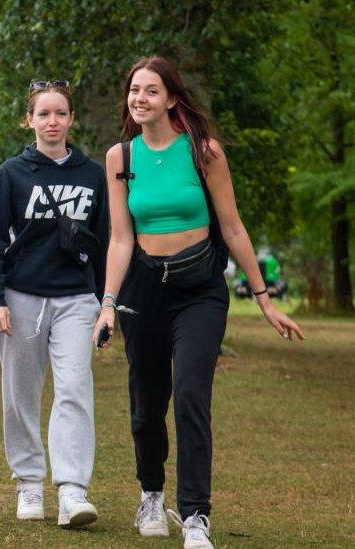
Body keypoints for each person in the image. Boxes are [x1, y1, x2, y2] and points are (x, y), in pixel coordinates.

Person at [92, 56, 304, 549]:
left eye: (150, 90)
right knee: (146, 408)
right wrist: (107, 304)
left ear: (171, 98)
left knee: (189, 396)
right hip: (143, 288)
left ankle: (194, 517)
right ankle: (150, 494)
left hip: (200, 291)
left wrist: (265, 299)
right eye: (133, 91)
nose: (139, 99)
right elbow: (121, 238)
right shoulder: (119, 158)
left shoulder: (203, 151)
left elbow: (231, 227)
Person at [0, 80, 108, 527]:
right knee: (21, 396)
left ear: (71, 119)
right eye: (44, 114)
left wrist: (107, 300)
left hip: (75, 299)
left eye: (61, 113)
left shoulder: (93, 174)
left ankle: (72, 490)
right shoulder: (12, 173)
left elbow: (108, 240)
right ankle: (28, 483)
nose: (53, 122)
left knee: (74, 390)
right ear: (29, 120)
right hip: (21, 297)